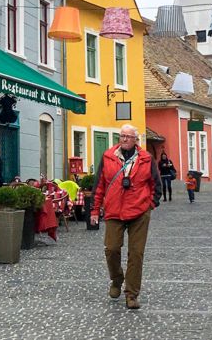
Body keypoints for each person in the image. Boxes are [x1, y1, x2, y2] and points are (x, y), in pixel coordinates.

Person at [91, 124, 160, 310]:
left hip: (139, 211)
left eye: (129, 136)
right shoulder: (108, 157)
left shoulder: (146, 158)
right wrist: (95, 210)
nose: (124, 139)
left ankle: (131, 294)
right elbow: (99, 185)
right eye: (122, 136)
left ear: (135, 140)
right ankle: (116, 279)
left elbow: (156, 184)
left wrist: (150, 205)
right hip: (114, 210)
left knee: (136, 254)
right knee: (112, 249)